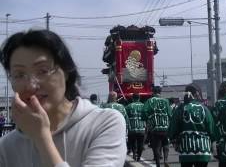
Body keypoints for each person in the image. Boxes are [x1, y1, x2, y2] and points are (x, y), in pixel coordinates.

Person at [0, 30, 126, 167]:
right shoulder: (6, 147)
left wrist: (42, 139)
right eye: (19, 74)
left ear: (66, 71)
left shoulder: (104, 123)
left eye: (42, 71)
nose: (31, 85)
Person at [168, 84, 215, 167]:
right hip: (203, 148)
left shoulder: (180, 108)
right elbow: (211, 128)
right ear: (196, 93)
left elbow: (173, 127)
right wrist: (213, 141)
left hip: (186, 149)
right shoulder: (204, 108)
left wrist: (173, 140)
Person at [143, 86, 172, 167]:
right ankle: (166, 160)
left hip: (155, 128)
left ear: (153, 92)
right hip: (165, 127)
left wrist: (148, 119)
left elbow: (144, 111)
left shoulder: (150, 101)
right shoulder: (166, 101)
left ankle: (158, 164)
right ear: (160, 92)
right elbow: (170, 114)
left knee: (156, 146)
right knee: (166, 143)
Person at [125, 93, 146, 161]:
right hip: (141, 128)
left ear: (132, 98)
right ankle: (139, 156)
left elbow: (126, 116)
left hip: (132, 128)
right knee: (140, 143)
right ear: (139, 98)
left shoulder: (129, 106)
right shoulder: (144, 106)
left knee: (133, 142)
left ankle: (134, 153)